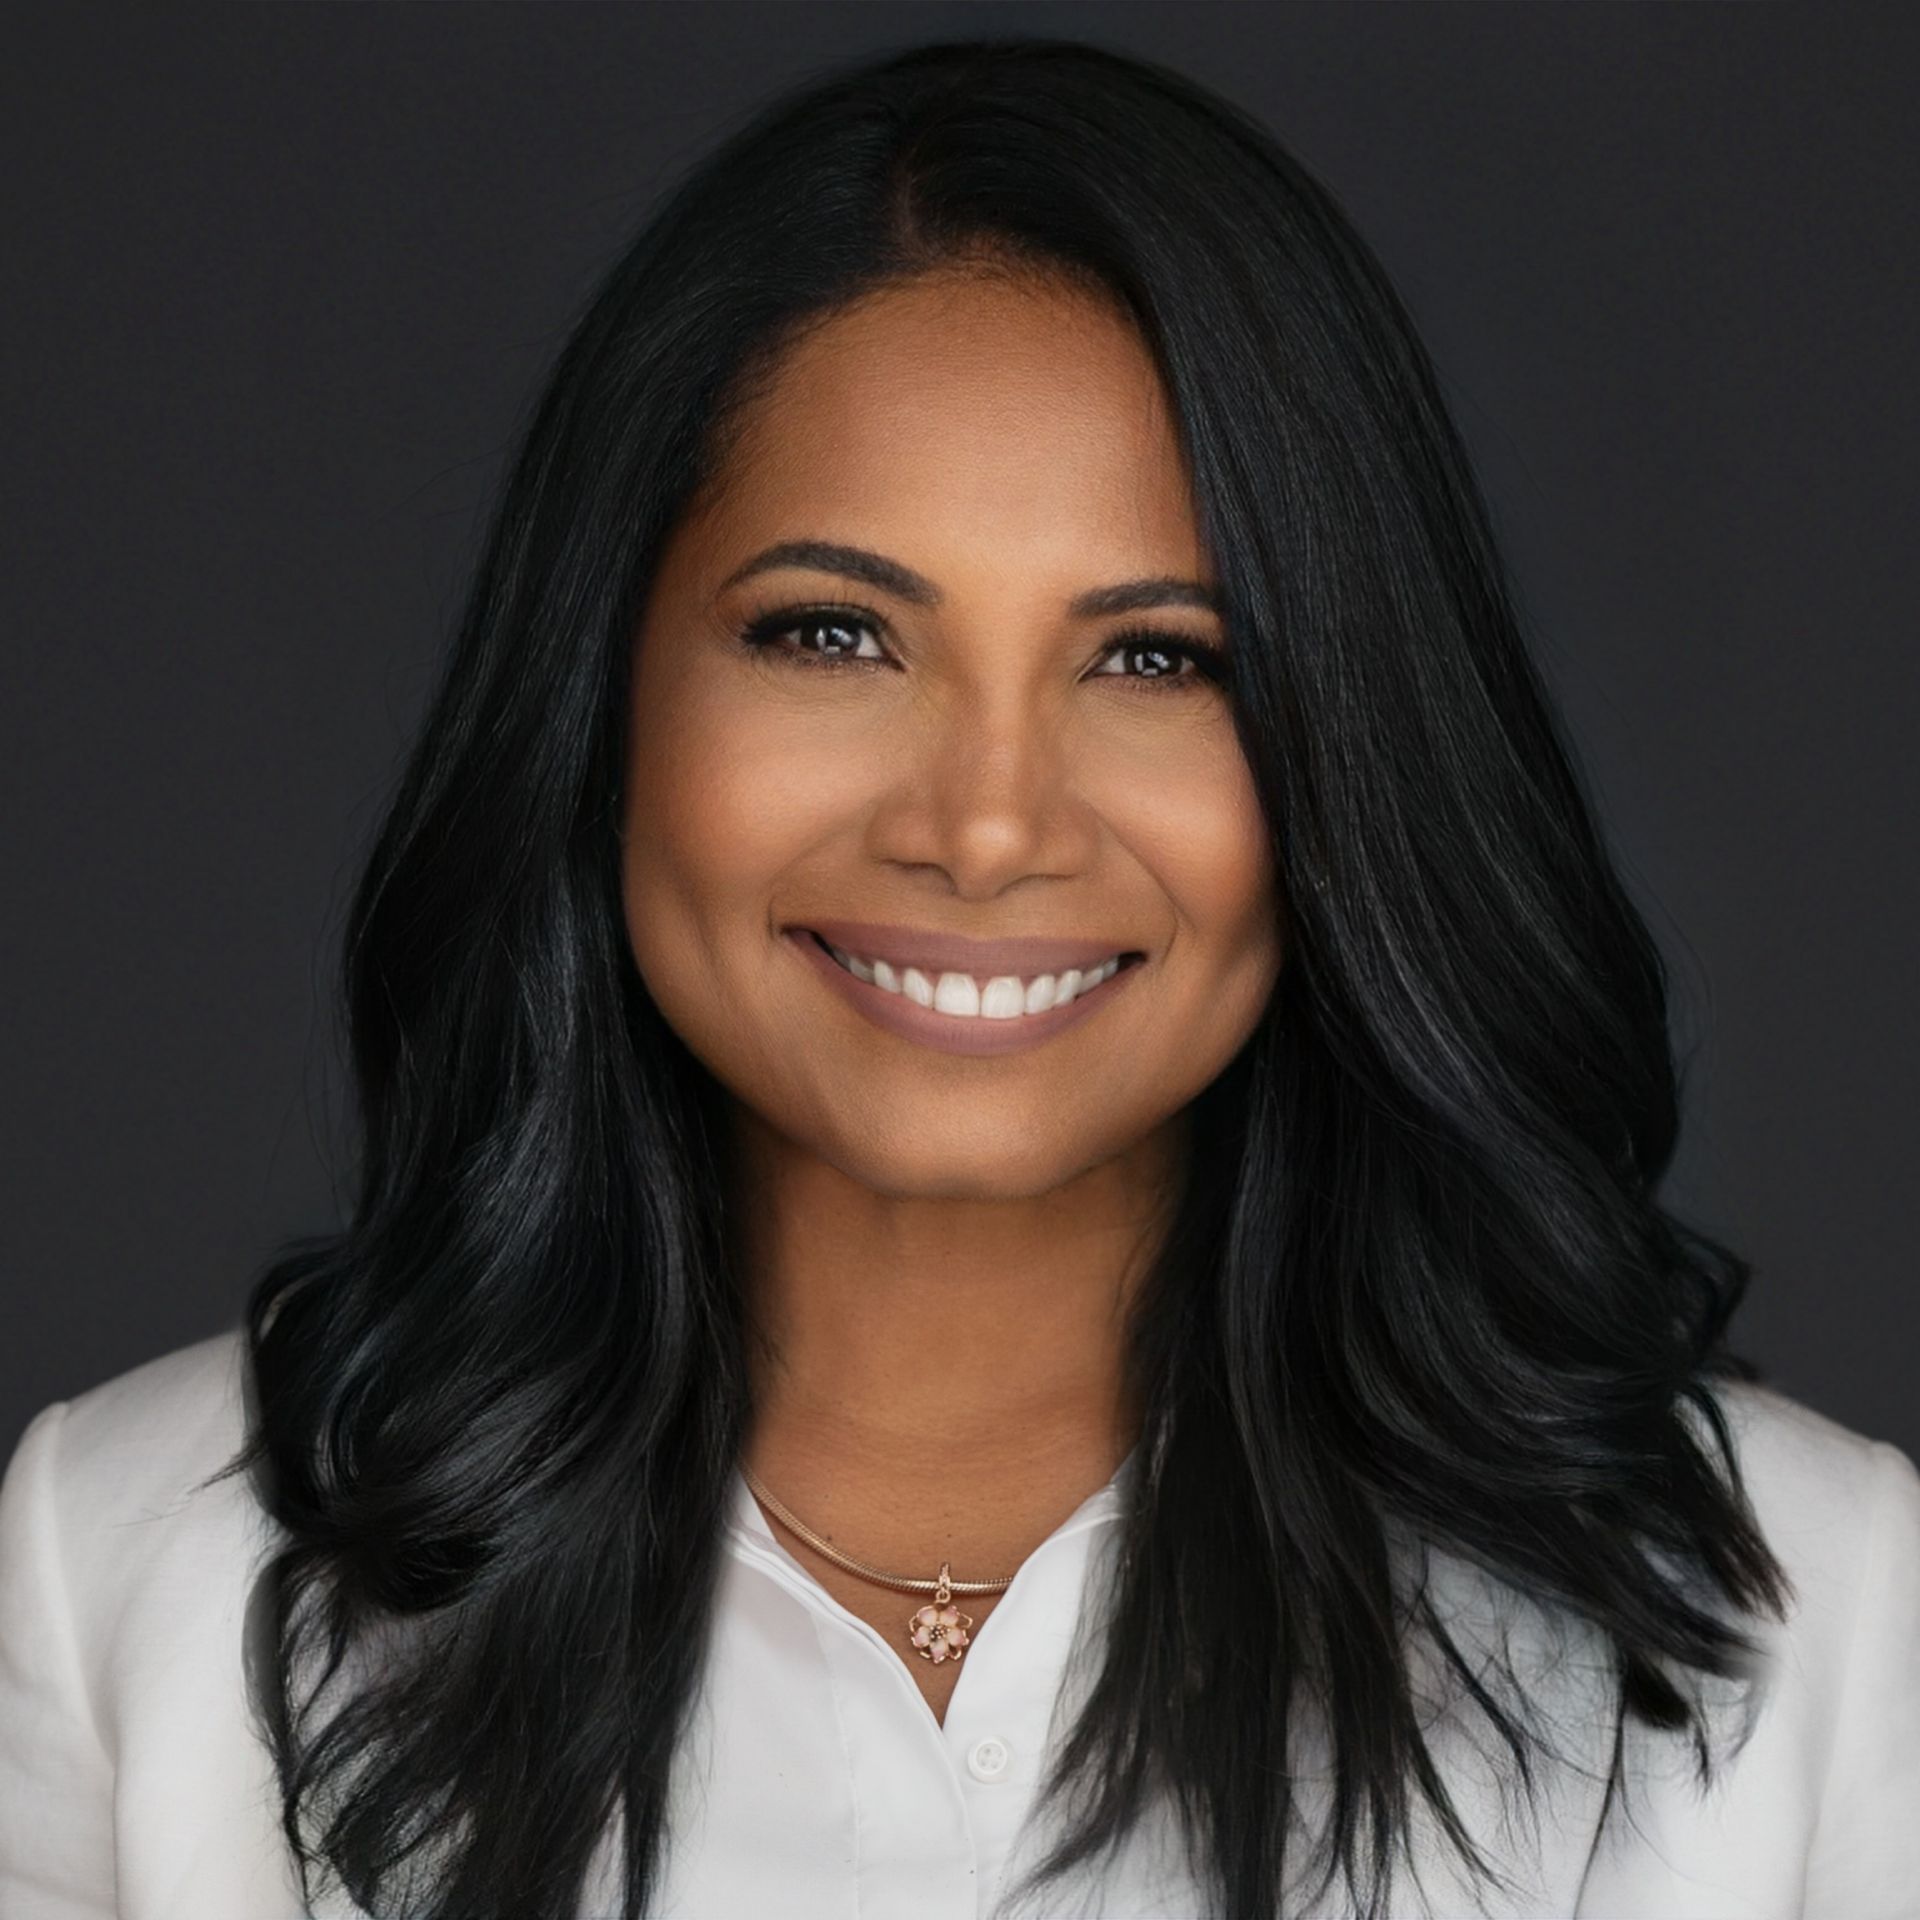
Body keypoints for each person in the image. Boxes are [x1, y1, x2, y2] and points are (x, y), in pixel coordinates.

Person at [2, 32, 1916, 1920]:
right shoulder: (130, 1576)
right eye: (834, 633)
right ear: (602, 700)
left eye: (1163, 659)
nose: (988, 827)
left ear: (1352, 746)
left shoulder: (1818, 1624)